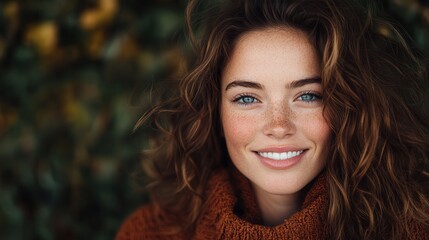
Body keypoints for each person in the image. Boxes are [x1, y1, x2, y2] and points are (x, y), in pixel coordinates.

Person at [116, 0, 429, 239]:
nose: (279, 126)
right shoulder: (149, 233)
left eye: (308, 96)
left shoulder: (412, 229)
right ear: (215, 114)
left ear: (349, 107)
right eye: (247, 99)